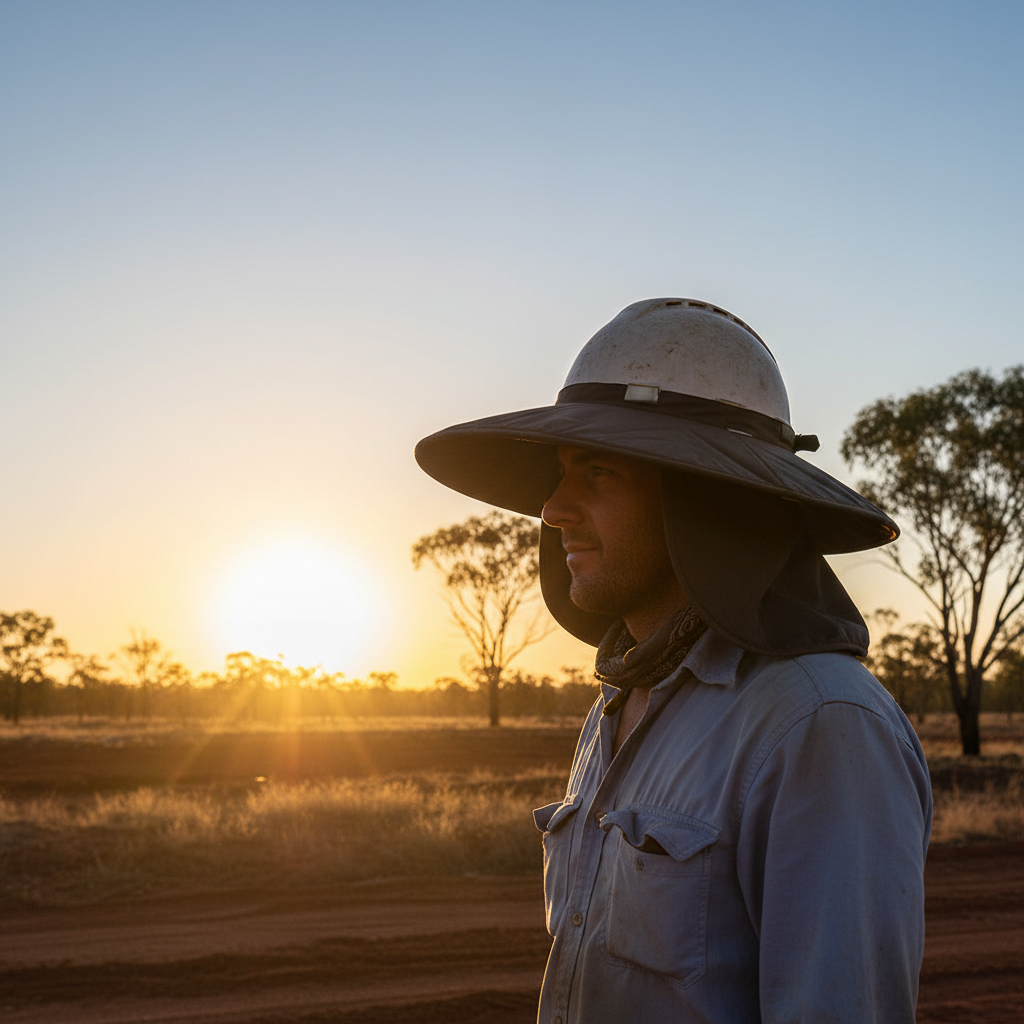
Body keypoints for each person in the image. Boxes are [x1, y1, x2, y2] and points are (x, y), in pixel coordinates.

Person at [415, 298, 932, 1023]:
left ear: (706, 500)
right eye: (560, 473)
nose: (553, 508)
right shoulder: (619, 703)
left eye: (597, 474)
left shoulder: (820, 724)